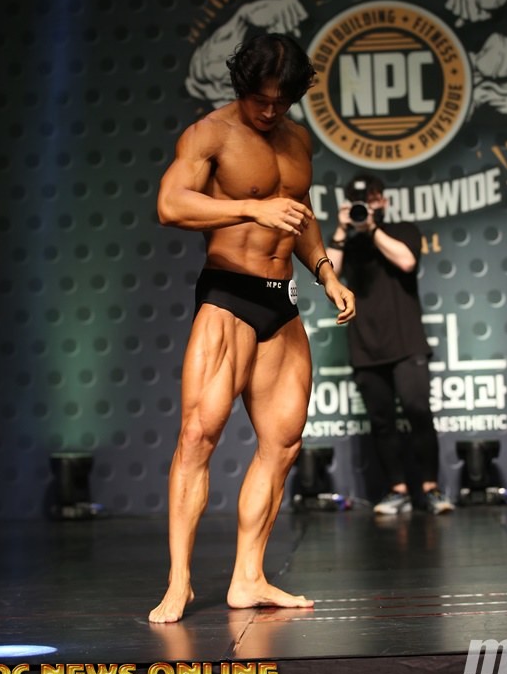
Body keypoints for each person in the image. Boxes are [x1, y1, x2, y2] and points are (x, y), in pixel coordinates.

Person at [149, 32, 356, 624]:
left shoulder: (298, 141)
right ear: (242, 86)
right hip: (229, 295)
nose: (269, 111)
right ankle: (180, 582)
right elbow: (170, 205)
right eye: (260, 99)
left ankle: (248, 577)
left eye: (280, 102)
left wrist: (325, 273)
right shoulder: (210, 134)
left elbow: (300, 216)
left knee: (283, 444)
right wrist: (249, 207)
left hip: (281, 303)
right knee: (198, 436)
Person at [325, 173, 454, 516]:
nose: (366, 206)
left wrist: (371, 229)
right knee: (381, 421)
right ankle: (397, 490)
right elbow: (328, 275)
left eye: (371, 199)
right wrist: (341, 231)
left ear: (383, 201)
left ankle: (431, 488)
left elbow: (407, 261)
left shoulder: (403, 230)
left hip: (407, 342)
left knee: (418, 412)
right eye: (359, 202)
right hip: (365, 345)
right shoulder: (347, 241)